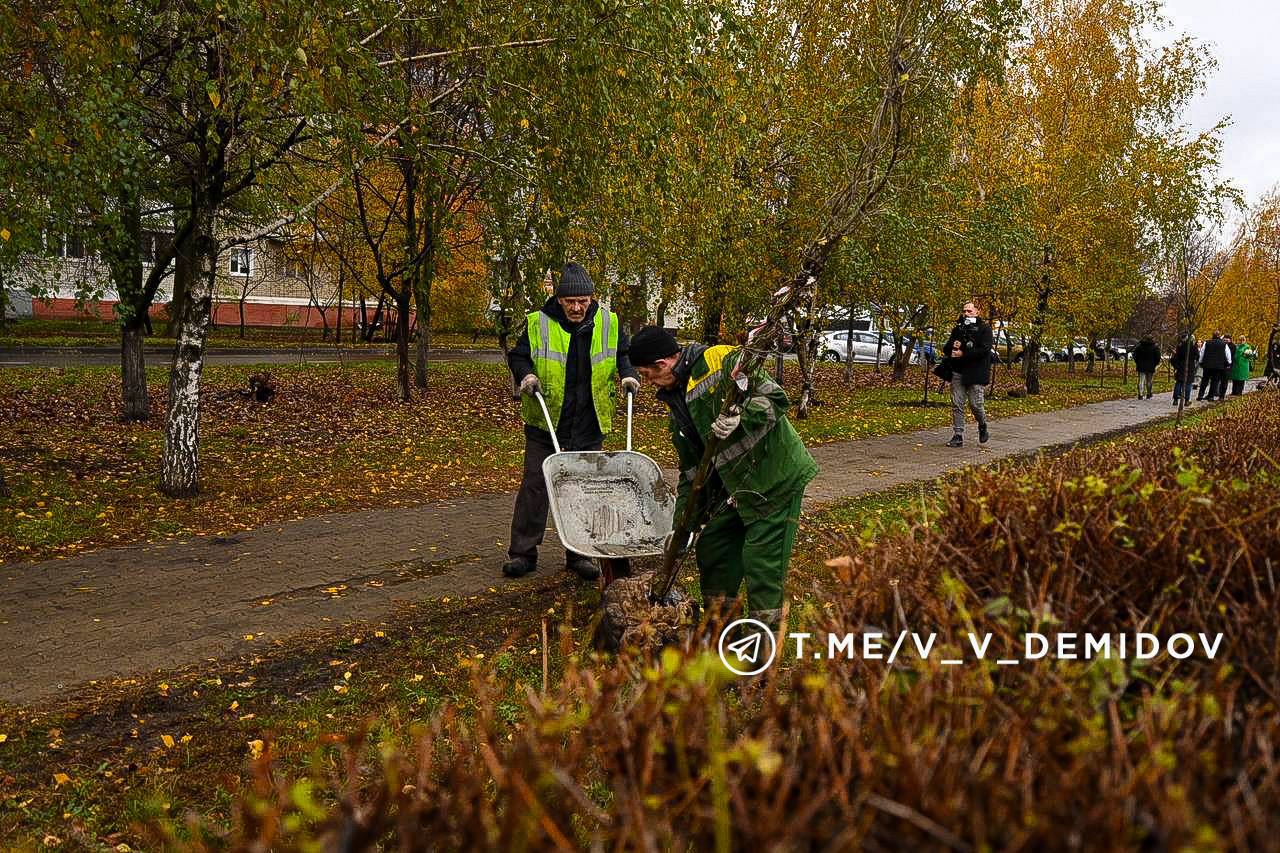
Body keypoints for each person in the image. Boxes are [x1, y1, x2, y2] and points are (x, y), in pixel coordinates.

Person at [627, 325, 817, 629]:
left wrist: (742, 416)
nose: (648, 382)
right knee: (714, 549)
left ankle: (761, 655)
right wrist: (680, 530)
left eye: (647, 374)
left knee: (761, 566)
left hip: (773, 480)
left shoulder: (723, 360)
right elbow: (692, 475)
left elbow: (775, 400)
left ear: (662, 364)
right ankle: (721, 636)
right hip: (733, 490)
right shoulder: (676, 403)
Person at [503, 263, 640, 580]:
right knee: (535, 487)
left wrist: (629, 375)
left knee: (584, 491)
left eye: (583, 301)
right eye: (571, 302)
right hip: (546, 420)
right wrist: (526, 374)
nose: (578, 307)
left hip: (589, 421)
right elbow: (518, 355)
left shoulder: (609, 322)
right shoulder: (538, 323)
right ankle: (522, 554)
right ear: (560, 299)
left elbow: (624, 355)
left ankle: (580, 555)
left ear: (592, 297)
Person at [938, 302, 993, 447]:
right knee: (957, 403)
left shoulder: (984, 329)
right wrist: (952, 347)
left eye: (969, 311)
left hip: (976, 373)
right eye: (964, 311)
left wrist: (964, 353)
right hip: (958, 371)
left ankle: (982, 425)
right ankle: (958, 435)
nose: (966, 314)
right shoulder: (959, 328)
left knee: (976, 404)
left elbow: (984, 350)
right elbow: (947, 348)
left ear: (977, 312)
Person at [1197, 332, 1231, 401]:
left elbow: (1202, 353)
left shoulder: (1207, 343)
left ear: (1212, 336)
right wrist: (1229, 363)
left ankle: (1200, 395)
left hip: (1207, 365)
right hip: (1218, 366)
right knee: (1214, 381)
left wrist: (1200, 361)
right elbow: (1228, 354)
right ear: (1219, 336)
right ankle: (1211, 396)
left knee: (1205, 380)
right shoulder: (1224, 344)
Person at [1171, 334, 1196, 406]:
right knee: (1188, 383)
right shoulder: (1193, 347)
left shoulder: (1180, 346)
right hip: (1190, 366)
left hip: (1180, 366)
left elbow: (1175, 357)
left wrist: (1176, 366)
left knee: (1179, 382)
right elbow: (1197, 356)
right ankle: (1187, 400)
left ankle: (1175, 400)